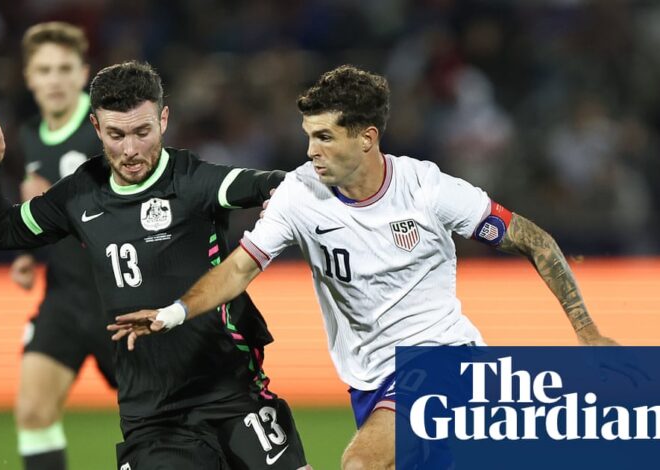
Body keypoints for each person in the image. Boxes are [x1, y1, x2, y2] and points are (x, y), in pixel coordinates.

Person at [108, 65, 619, 469]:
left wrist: (586, 330)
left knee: (360, 463)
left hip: (443, 359)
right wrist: (175, 312)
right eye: (309, 136)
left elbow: (534, 240)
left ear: (367, 138)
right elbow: (240, 268)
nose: (312, 151)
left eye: (325, 137)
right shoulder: (299, 194)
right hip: (369, 380)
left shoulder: (427, 189)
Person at [0, 60, 311, 470]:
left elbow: (276, 183)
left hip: (232, 393)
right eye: (116, 135)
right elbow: (0, 232)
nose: (130, 150)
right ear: (96, 127)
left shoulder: (194, 181)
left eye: (142, 132)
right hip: (152, 416)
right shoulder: (79, 194)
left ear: (163, 120)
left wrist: (281, 199)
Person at [9, 22, 113, 470]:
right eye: (44, 70)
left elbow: (140, 205)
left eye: (64, 69)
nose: (54, 79)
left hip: (122, 298)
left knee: (163, 421)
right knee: (33, 410)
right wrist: (27, 252)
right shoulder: (30, 134)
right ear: (29, 78)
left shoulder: (109, 127)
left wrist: (55, 201)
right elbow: (36, 208)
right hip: (66, 297)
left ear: (83, 73)